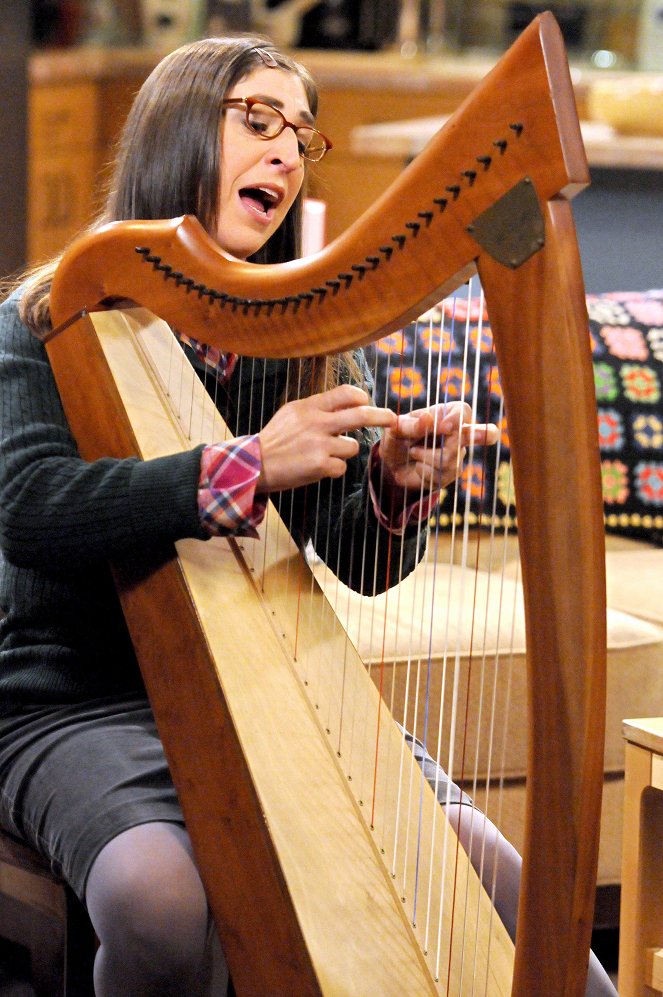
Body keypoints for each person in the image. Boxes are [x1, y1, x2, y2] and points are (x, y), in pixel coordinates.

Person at [0, 35, 615, 997]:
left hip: (261, 695)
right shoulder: (47, 320)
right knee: (159, 903)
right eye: (257, 121)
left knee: (495, 885)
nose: (288, 151)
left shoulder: (305, 342)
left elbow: (360, 561)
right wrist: (244, 464)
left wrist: (396, 485)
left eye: (302, 133)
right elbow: (28, 508)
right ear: (176, 137)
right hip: (71, 703)